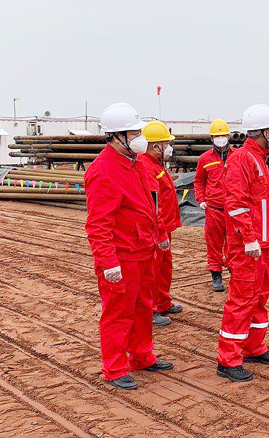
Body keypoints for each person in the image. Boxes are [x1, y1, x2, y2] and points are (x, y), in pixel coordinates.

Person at [84, 103, 173, 390]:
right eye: (134, 133)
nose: (140, 138)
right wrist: (108, 262)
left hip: (143, 250)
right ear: (116, 136)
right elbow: (98, 223)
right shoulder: (103, 170)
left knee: (143, 307)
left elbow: (149, 204)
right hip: (122, 256)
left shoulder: (135, 164)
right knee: (118, 312)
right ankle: (114, 368)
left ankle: (141, 356)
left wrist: (159, 232)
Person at [216, 104, 269, 382]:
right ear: (264, 132)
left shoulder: (258, 158)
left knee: (259, 296)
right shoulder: (242, 159)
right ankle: (228, 360)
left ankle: (254, 347)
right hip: (248, 246)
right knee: (242, 299)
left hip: (262, 244)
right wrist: (249, 237)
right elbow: (236, 202)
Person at [138, 120, 183, 326]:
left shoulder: (156, 164)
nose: (169, 147)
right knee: (153, 270)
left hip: (165, 226)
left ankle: (163, 301)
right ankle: (152, 309)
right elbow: (154, 204)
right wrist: (161, 231)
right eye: (166, 143)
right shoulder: (147, 166)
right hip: (156, 229)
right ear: (156, 146)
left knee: (164, 267)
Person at [194, 118, 232, 292]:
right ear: (211, 138)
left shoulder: (237, 156)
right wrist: (201, 199)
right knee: (214, 243)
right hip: (214, 209)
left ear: (228, 136)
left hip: (234, 209)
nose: (220, 139)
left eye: (223, 135)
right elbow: (199, 181)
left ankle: (235, 272)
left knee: (234, 243)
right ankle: (216, 275)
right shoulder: (205, 159)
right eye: (217, 136)